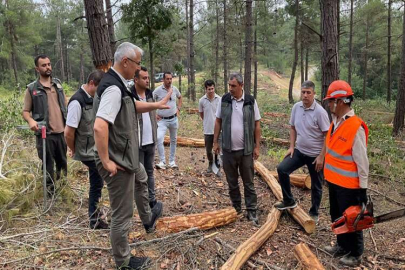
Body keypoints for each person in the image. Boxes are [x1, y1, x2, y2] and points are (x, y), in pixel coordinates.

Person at [93, 42, 171, 269]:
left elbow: (131, 106)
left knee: (142, 179)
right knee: (122, 214)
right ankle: (124, 262)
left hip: (126, 158)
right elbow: (99, 127)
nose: (138, 69)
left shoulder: (119, 85)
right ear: (125, 62)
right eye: (136, 63)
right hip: (117, 161)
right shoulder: (113, 88)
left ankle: (148, 218)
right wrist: (107, 160)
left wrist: (156, 104)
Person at [322, 80, 369, 267]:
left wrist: (362, 189)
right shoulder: (336, 122)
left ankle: (355, 253)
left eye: (331, 101)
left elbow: (362, 162)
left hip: (349, 186)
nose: (328, 104)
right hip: (334, 182)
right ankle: (342, 245)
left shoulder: (355, 126)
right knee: (337, 216)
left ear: (341, 101)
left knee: (353, 220)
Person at [275, 81, 330, 223]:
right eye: (303, 92)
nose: (305, 95)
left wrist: (321, 157)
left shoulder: (320, 112)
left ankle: (314, 212)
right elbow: (292, 127)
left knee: (317, 185)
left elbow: (327, 135)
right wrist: (292, 146)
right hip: (299, 151)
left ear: (314, 94)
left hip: (315, 155)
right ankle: (288, 200)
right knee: (282, 169)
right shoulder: (296, 107)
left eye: (308, 93)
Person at [213, 73, 261, 226]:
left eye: (233, 86)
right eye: (229, 85)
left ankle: (252, 210)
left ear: (241, 85)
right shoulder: (224, 100)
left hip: (246, 150)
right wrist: (215, 142)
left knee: (248, 182)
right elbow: (218, 121)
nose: (230, 88)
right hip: (228, 149)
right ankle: (236, 207)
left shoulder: (250, 101)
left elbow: (257, 125)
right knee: (232, 181)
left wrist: (257, 146)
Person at [64, 70, 108, 229]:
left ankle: (96, 216)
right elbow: (68, 132)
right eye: (98, 89)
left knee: (97, 181)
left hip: (94, 148)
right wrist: (74, 149)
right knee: (98, 181)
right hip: (86, 151)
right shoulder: (77, 102)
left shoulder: (92, 98)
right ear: (91, 84)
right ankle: (95, 219)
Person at [22, 54, 67, 196]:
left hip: (61, 133)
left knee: (62, 164)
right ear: (37, 69)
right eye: (43, 65)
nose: (47, 67)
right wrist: (31, 121)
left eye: (49, 64)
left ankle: (63, 192)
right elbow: (25, 111)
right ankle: (50, 195)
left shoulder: (58, 85)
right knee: (47, 166)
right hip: (44, 134)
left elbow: (65, 104)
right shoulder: (32, 89)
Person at [131, 67, 159, 209]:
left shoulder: (149, 94)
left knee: (150, 172)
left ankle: (152, 200)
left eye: (148, 78)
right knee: (140, 177)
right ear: (136, 79)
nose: (147, 80)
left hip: (151, 141)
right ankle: (143, 205)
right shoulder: (130, 96)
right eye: (144, 78)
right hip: (138, 143)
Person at [153, 72, 182, 169]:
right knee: (159, 138)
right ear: (163, 79)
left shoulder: (174, 89)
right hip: (162, 120)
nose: (169, 81)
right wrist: (154, 114)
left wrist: (178, 109)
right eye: (167, 79)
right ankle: (162, 161)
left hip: (173, 119)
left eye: (170, 79)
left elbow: (180, 97)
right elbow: (150, 101)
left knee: (173, 140)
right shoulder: (157, 91)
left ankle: (172, 161)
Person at [198, 80, 221, 174]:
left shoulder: (219, 99)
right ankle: (210, 163)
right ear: (205, 89)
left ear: (214, 88)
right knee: (208, 150)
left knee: (217, 149)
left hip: (218, 129)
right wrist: (207, 121)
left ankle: (216, 164)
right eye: (209, 89)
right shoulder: (202, 101)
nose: (211, 91)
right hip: (207, 129)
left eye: (212, 89)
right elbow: (201, 114)